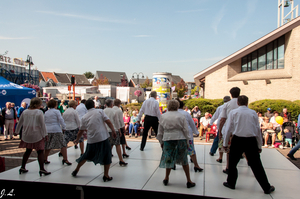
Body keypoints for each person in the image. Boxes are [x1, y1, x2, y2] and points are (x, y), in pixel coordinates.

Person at [222, 95, 275, 194]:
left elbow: (228, 129)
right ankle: (266, 187)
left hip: (237, 139)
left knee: (233, 163)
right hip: (251, 140)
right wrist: (259, 145)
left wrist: (225, 143)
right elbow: (257, 129)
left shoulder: (234, 112)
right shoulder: (253, 113)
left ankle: (231, 183)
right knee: (257, 165)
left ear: (238, 103)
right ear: (247, 103)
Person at [72, 100, 117, 182]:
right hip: (103, 137)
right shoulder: (100, 111)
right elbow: (108, 122)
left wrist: (77, 139)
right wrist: (113, 131)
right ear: (93, 105)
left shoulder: (84, 117)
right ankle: (106, 175)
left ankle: (76, 170)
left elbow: (81, 131)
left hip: (92, 139)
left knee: (86, 155)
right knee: (107, 155)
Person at [156, 100, 195, 188]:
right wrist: (188, 140)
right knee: (184, 159)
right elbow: (185, 130)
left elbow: (160, 131)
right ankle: (189, 180)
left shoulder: (163, 116)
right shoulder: (181, 116)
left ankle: (166, 178)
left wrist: (161, 142)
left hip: (167, 139)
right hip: (180, 138)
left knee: (168, 159)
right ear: (177, 106)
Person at [15, 97, 51, 176]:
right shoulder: (39, 112)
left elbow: (20, 123)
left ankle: (22, 167)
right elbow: (42, 125)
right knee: (40, 151)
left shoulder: (25, 112)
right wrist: (45, 134)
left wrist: (16, 132)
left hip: (26, 134)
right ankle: (42, 169)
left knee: (28, 151)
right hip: (37, 134)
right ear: (38, 104)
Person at [177, 99, 203, 172]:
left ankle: (173, 164)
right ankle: (196, 165)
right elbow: (192, 124)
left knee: (176, 150)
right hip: (187, 135)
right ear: (182, 106)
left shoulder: (172, 113)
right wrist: (196, 132)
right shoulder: (186, 113)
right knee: (191, 151)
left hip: (177, 135)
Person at [219, 87, 240, 174]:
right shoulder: (242, 104)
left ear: (230, 94)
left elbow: (223, 119)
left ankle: (228, 167)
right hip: (240, 130)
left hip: (230, 130)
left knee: (228, 150)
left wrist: (220, 131)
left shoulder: (227, 104)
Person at [44, 99, 71, 166]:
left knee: (48, 145)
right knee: (63, 144)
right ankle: (65, 159)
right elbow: (61, 120)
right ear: (55, 105)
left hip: (48, 130)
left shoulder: (46, 112)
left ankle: (45, 158)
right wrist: (64, 127)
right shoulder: (57, 112)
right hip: (56, 129)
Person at [104, 99, 128, 166]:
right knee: (117, 145)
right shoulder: (114, 111)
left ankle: (105, 159)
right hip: (114, 130)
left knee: (107, 145)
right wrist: (119, 130)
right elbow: (117, 122)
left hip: (106, 130)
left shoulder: (103, 111)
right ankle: (121, 160)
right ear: (111, 104)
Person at [209, 96, 231, 163]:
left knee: (219, 139)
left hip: (222, 126)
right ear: (229, 100)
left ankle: (213, 152)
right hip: (228, 126)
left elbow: (215, 115)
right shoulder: (229, 107)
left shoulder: (220, 107)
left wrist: (211, 122)